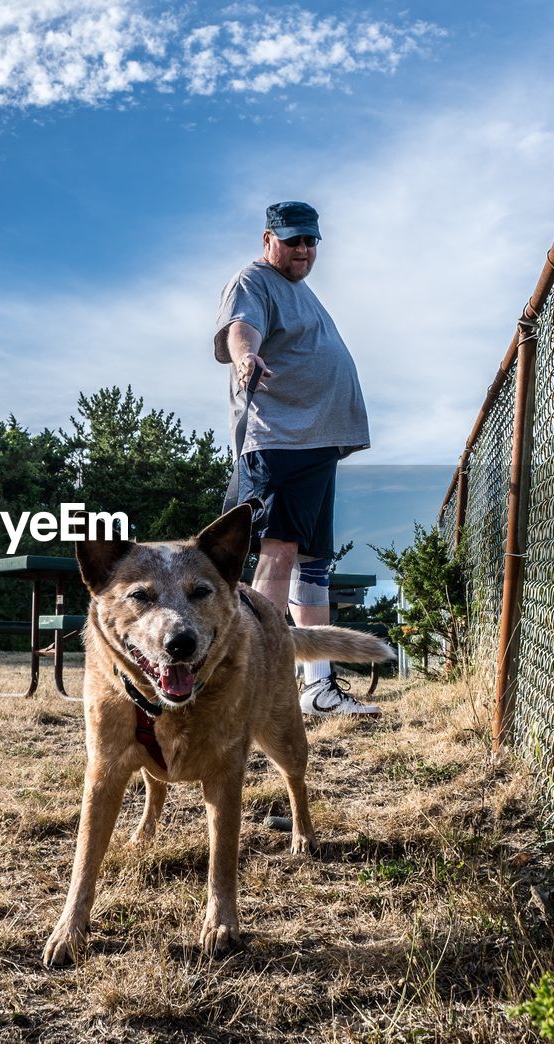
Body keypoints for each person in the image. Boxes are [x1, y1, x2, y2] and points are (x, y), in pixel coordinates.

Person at [213, 200, 379, 716]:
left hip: (313, 446)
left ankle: (318, 688)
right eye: (293, 241)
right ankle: (258, 686)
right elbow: (243, 328)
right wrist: (245, 357)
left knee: (313, 564)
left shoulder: (300, 291)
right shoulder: (254, 280)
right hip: (281, 440)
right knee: (277, 553)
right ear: (269, 239)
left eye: (310, 241)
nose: (304, 249)